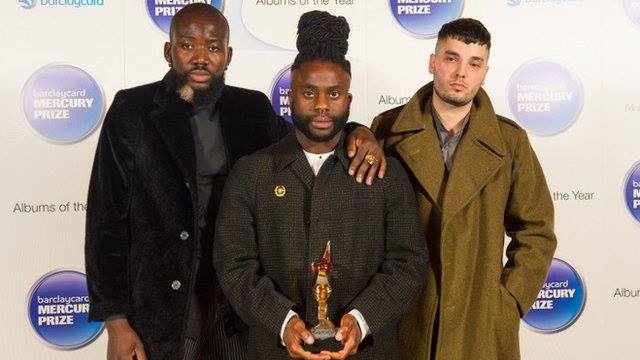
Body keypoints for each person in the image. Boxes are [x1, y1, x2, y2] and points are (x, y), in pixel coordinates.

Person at [84, 4, 385, 360]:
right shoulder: (131, 111)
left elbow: (308, 139)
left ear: (227, 56)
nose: (201, 58)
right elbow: (105, 222)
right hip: (159, 308)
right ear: (169, 51)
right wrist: (116, 323)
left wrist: (357, 130)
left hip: (236, 305)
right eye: (188, 45)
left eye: (213, 48)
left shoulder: (251, 109)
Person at [213, 11, 428, 360]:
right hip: (273, 350)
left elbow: (408, 264)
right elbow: (234, 264)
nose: (323, 105)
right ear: (290, 96)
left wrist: (361, 320)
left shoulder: (386, 176)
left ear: (349, 100)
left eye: (334, 93)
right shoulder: (251, 173)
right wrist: (282, 321)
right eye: (309, 93)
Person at [371, 18, 557, 360]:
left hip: (479, 325)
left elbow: (536, 230)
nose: (461, 73)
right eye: (451, 58)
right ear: (432, 62)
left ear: (485, 71)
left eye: (474, 63)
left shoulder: (510, 142)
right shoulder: (387, 130)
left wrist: (508, 301)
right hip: (405, 318)